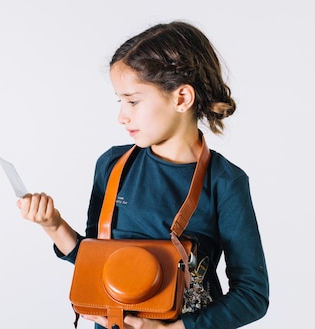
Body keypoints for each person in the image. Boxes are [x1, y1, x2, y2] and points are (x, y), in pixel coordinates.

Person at [17, 21, 269, 329]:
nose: (122, 115)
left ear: (181, 98)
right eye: (119, 101)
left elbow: (252, 295)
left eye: (133, 101)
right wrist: (53, 225)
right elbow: (95, 260)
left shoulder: (225, 182)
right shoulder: (111, 165)